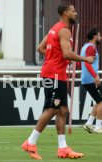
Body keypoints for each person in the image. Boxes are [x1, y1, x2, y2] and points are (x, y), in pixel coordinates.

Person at [21, 2, 94, 160]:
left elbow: (41, 47)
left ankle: (63, 148)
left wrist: (54, 58)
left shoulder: (54, 28)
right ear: (66, 13)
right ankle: (30, 142)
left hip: (55, 73)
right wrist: (85, 59)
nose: (75, 14)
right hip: (54, 75)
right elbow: (67, 54)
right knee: (52, 109)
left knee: (62, 110)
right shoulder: (64, 30)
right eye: (73, 11)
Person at [81, 28, 102, 134]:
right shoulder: (91, 47)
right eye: (99, 35)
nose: (100, 38)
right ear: (94, 37)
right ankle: (98, 127)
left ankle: (89, 124)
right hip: (90, 79)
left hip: (88, 78)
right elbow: (87, 63)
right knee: (101, 102)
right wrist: (95, 76)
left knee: (99, 101)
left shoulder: (85, 47)